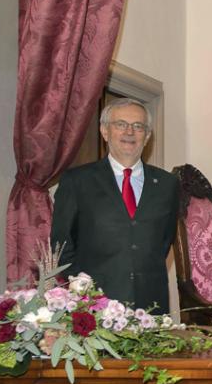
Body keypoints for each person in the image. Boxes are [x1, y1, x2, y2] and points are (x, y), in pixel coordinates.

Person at [51, 98, 179, 314]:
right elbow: (61, 246)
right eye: (120, 124)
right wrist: (84, 293)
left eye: (138, 126)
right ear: (104, 131)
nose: (130, 132)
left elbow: (163, 242)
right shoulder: (77, 181)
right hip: (95, 308)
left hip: (150, 307)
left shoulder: (168, 184)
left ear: (147, 136)